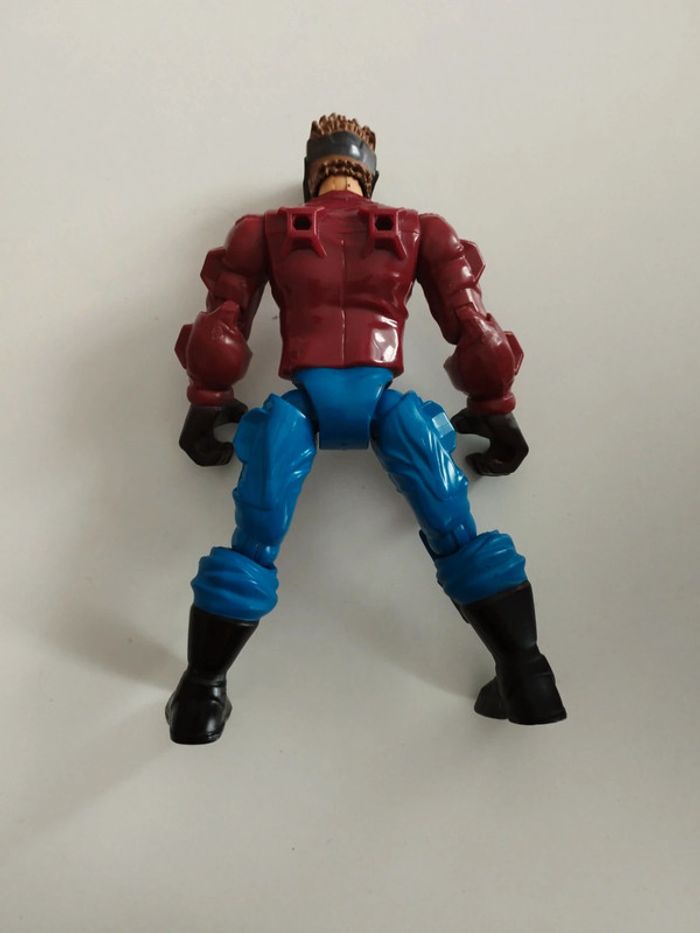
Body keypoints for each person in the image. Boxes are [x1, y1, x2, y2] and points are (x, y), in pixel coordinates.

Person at [166, 113, 566, 744]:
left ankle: (201, 694)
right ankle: (527, 675)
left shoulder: (264, 230)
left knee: (254, 542)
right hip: (388, 405)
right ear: (370, 175)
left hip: (301, 408)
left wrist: (208, 398)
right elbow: (475, 327)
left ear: (311, 173)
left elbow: (222, 323)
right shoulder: (421, 230)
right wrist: (495, 405)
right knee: (458, 532)